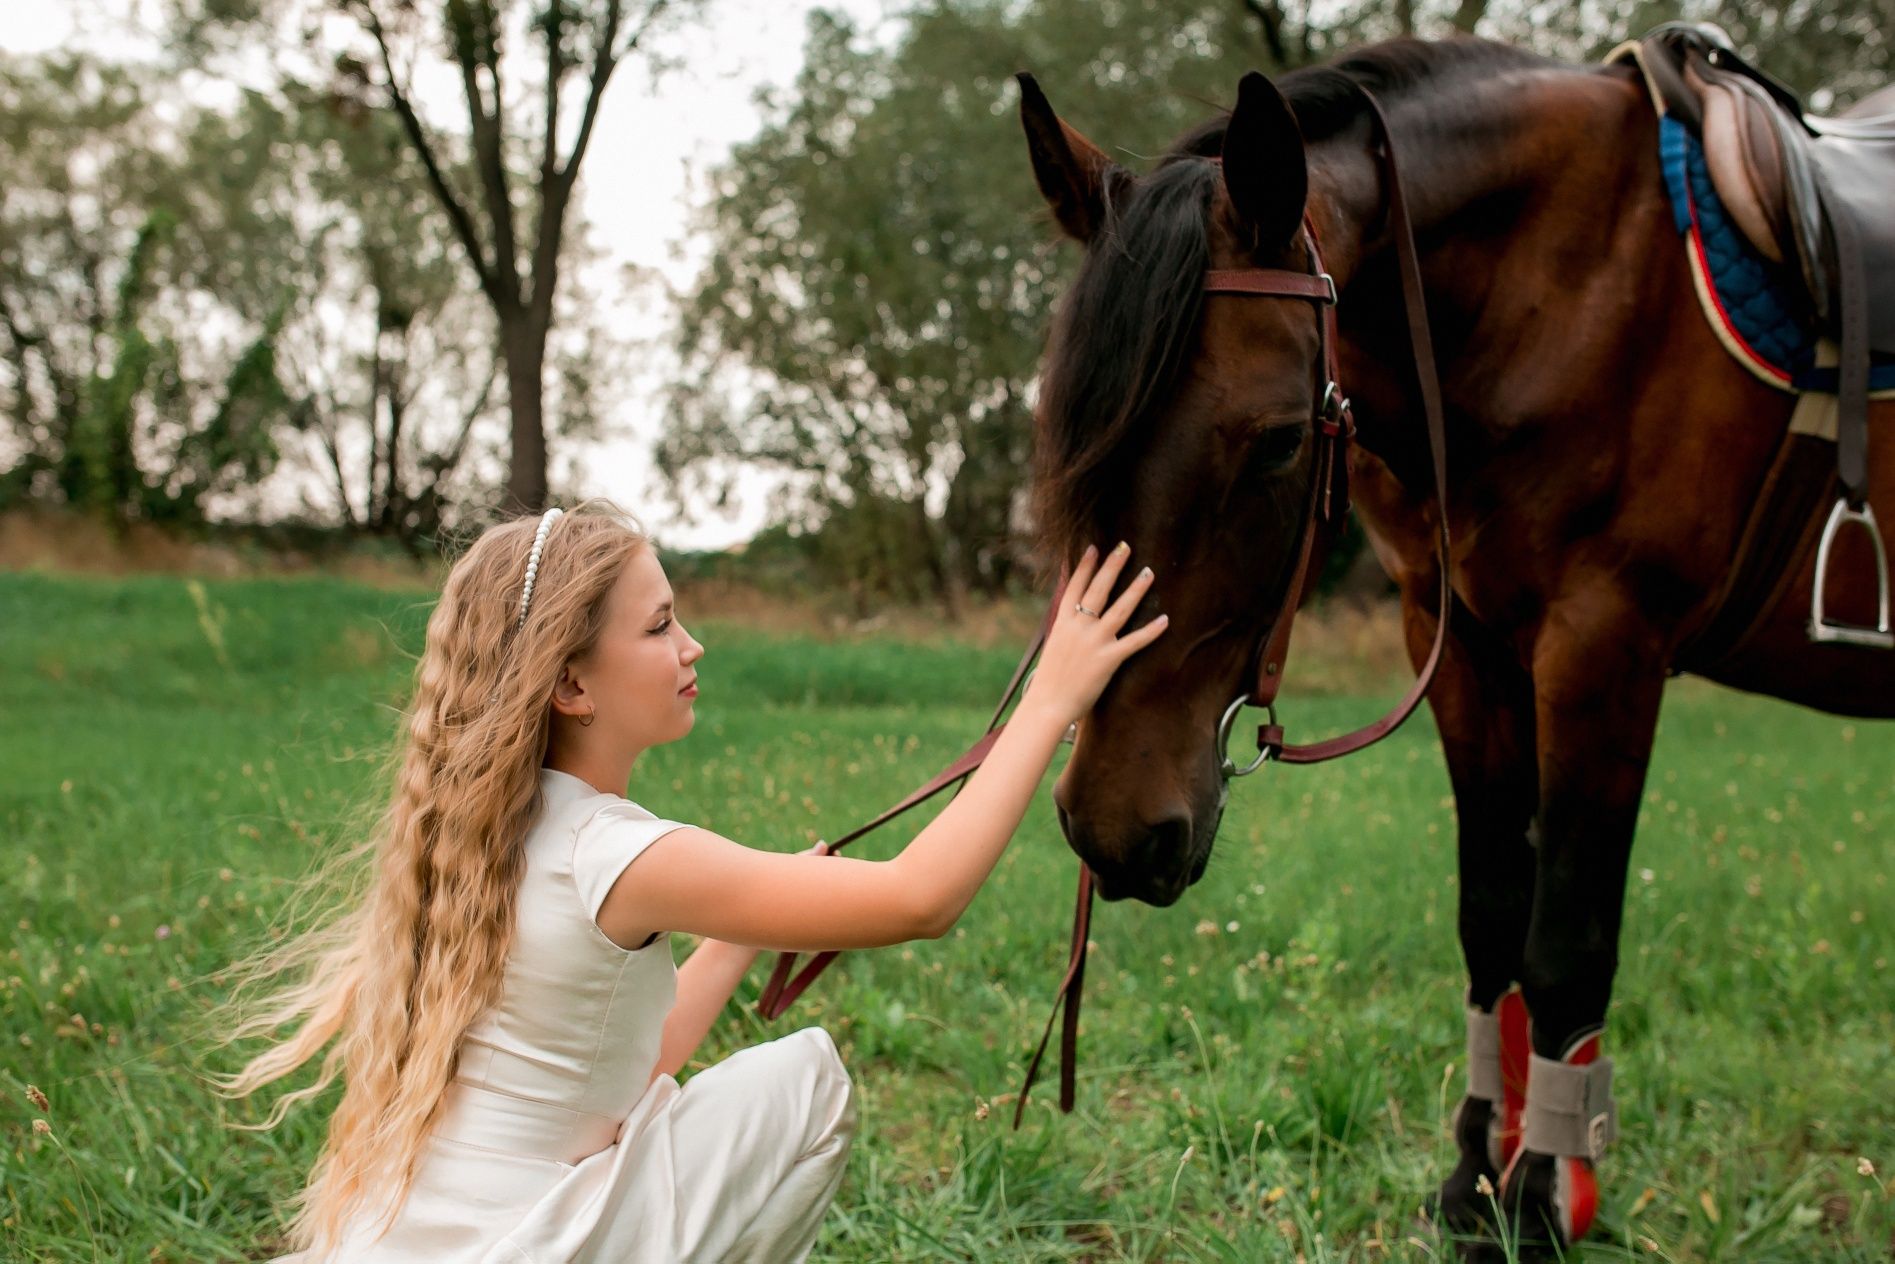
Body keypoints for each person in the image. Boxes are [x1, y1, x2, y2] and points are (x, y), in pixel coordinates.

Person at [215, 499, 1167, 1263]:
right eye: (661, 625)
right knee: (804, 1084)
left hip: (425, 1240)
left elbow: (611, 1072)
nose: (692, 646)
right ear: (572, 687)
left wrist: (743, 930)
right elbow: (921, 898)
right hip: (525, 1244)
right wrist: (1050, 700)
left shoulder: (492, 836)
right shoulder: (616, 851)